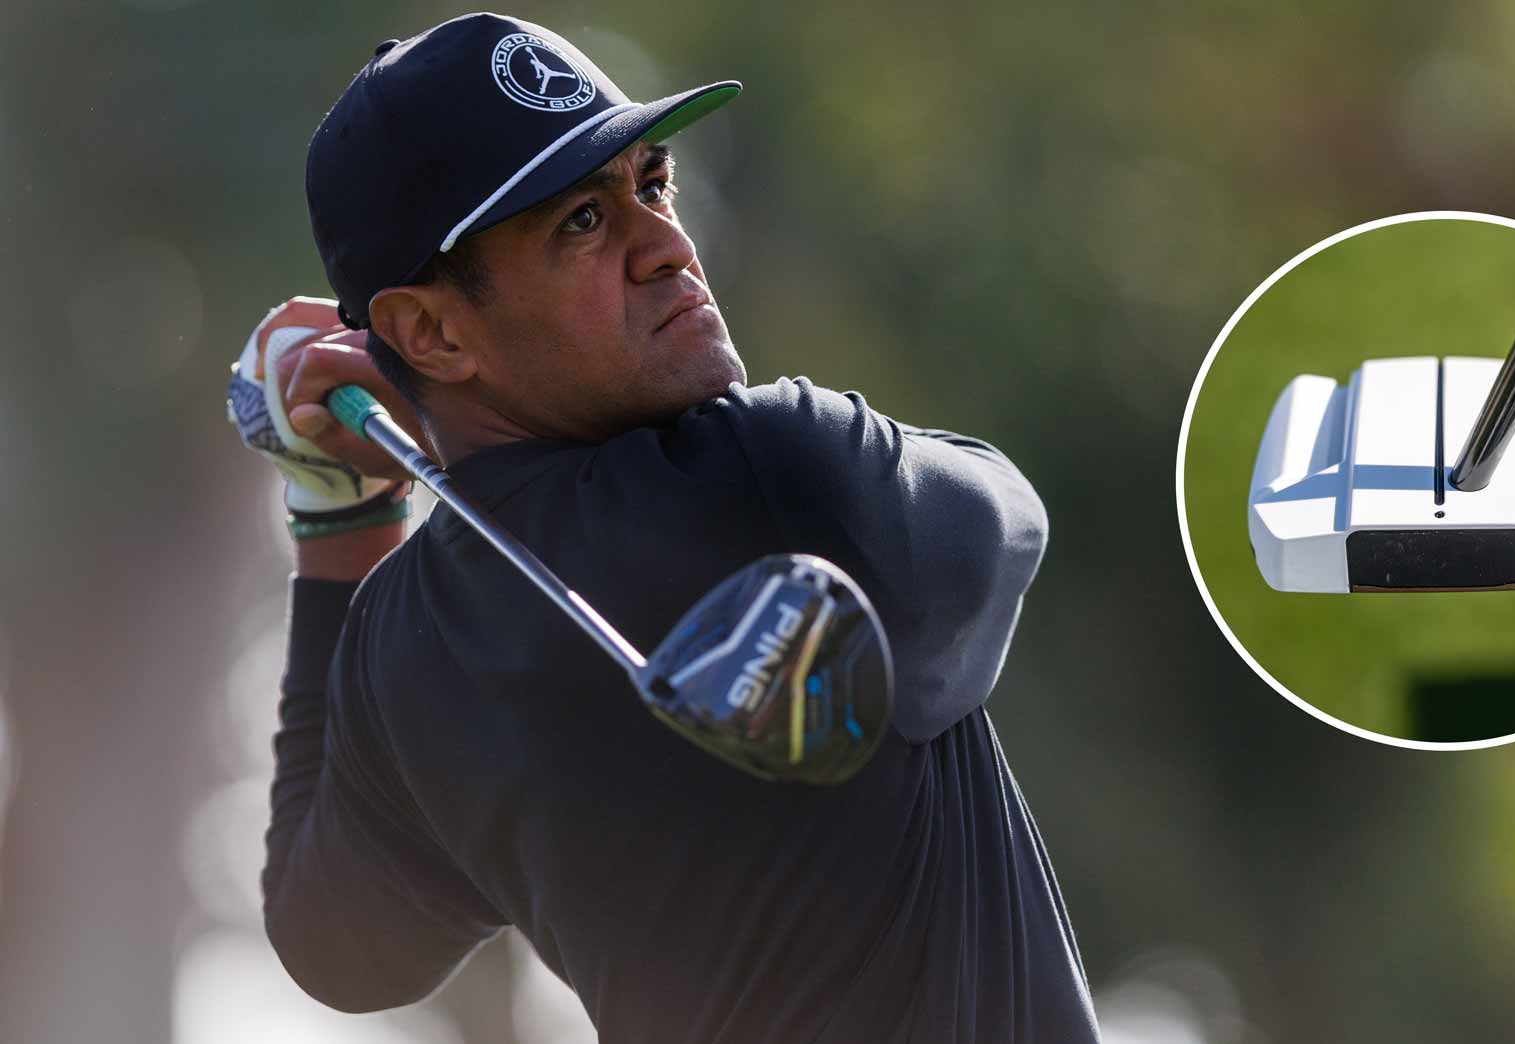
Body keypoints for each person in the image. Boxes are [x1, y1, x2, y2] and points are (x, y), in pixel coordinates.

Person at [226, 13, 1099, 1042]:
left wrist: (337, 505)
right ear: (430, 329)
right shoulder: (778, 471)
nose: (669, 247)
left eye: (650, 183)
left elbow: (334, 946)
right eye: (581, 225)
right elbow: (1006, 509)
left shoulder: (399, 649)